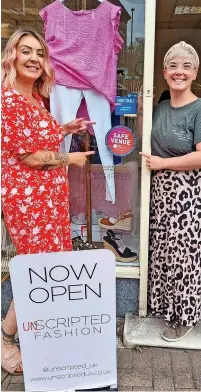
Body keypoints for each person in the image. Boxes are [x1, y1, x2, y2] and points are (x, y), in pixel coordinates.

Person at [1, 27, 95, 374]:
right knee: (36, 271)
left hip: (48, 200)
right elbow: (29, 157)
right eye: (26, 51)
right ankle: (5, 336)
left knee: (45, 269)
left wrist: (65, 129)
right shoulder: (8, 99)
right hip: (29, 202)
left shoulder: (34, 98)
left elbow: (39, 137)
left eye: (39, 54)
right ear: (12, 56)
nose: (34, 59)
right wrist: (70, 159)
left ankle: (32, 335)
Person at [138, 41, 201, 342]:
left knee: (184, 256)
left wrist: (164, 163)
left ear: (195, 72)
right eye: (174, 66)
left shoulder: (199, 108)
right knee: (163, 252)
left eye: (186, 66)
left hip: (187, 192)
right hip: (160, 191)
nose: (180, 71)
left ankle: (184, 316)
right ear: (164, 72)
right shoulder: (160, 108)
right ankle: (166, 309)